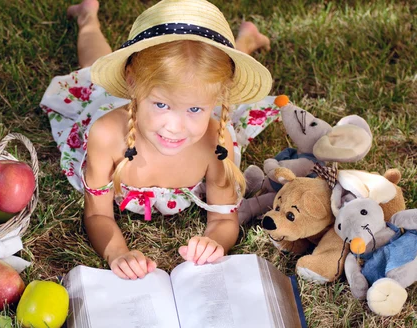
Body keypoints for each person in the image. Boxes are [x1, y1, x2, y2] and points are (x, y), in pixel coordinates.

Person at [40, 0, 281, 280]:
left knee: (206, 76)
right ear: (131, 81)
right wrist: (116, 252)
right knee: (92, 72)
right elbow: (98, 215)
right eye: (161, 105)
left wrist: (216, 241)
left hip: (190, 93)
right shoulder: (106, 136)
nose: (175, 128)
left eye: (194, 109)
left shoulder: (215, 142)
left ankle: (244, 42)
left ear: (214, 101)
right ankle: (88, 18)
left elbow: (223, 218)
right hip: (116, 105)